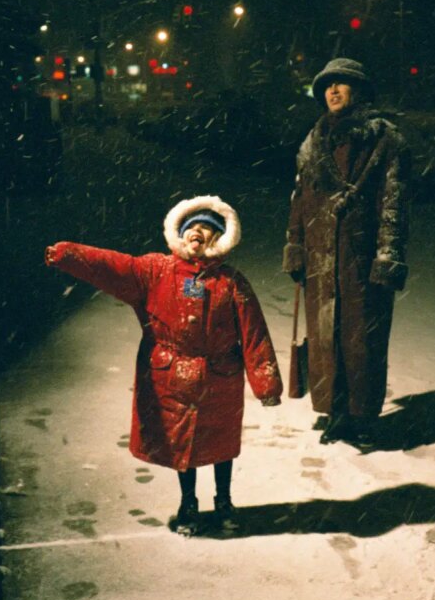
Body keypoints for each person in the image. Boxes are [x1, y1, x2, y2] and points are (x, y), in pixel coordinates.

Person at [45, 195, 282, 536]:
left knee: (220, 446)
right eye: (192, 230)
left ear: (219, 240)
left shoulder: (231, 283)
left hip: (220, 379)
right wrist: (69, 255)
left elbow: (254, 333)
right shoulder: (155, 271)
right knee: (181, 446)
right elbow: (111, 265)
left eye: (206, 231)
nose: (197, 236)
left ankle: (224, 501)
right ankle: (188, 503)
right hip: (171, 378)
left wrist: (266, 384)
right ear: (180, 235)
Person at [282, 58, 411, 450]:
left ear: (360, 91)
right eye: (327, 86)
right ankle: (335, 413)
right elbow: (300, 201)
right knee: (324, 338)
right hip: (321, 258)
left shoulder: (385, 140)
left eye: (341, 84)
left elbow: (394, 204)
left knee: (362, 341)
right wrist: (296, 246)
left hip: (361, 258)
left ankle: (362, 416)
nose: (332, 91)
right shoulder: (313, 140)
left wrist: (387, 256)